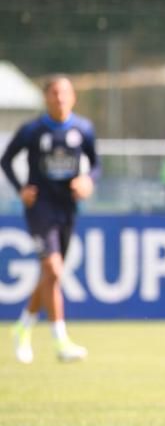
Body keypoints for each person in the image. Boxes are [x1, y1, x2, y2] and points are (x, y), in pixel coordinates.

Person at [2, 75, 100, 363]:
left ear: (73, 97)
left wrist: (88, 180)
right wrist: (22, 188)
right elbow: (6, 160)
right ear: (46, 98)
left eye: (65, 93)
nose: (60, 98)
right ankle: (61, 342)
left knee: (49, 275)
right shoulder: (32, 130)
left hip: (67, 208)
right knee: (54, 271)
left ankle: (22, 326)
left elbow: (96, 164)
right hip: (40, 209)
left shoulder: (84, 129)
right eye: (54, 94)